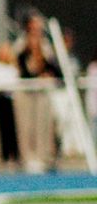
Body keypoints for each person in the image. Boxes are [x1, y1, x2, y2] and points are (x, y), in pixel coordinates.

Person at [15, 14, 60, 172]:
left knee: (43, 124)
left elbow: (52, 65)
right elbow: (20, 65)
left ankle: (43, 156)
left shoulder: (45, 44)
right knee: (26, 125)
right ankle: (27, 157)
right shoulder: (21, 43)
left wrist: (47, 74)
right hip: (27, 89)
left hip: (42, 90)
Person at [0, 40, 21, 168]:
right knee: (2, 128)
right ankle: (5, 155)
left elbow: (15, 81)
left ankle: (16, 154)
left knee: (13, 128)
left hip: (11, 99)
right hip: (0, 98)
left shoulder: (12, 67)